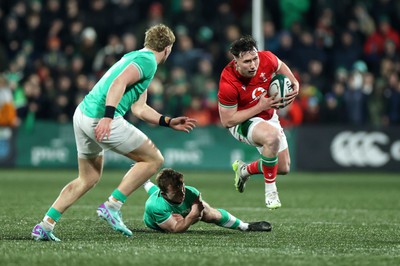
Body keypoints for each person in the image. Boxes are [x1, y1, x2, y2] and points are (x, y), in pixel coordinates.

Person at [31, 24, 197, 241]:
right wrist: (108, 117)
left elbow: (139, 108)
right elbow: (118, 83)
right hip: (101, 117)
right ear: (167, 48)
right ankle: (113, 205)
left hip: (83, 115)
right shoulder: (148, 62)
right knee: (154, 159)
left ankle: (45, 225)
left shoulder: (136, 57)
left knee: (87, 178)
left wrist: (168, 121)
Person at [218, 35, 299, 210]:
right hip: (242, 120)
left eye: (255, 59)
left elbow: (280, 65)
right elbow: (227, 120)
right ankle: (271, 192)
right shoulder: (228, 81)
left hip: (268, 114)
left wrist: (294, 82)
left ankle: (244, 170)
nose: (253, 65)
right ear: (236, 61)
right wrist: (259, 106)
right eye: (247, 61)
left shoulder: (266, 58)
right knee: (272, 137)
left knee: (283, 167)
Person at [143, 168, 272, 233]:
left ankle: (245, 226)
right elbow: (175, 229)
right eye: (176, 192)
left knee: (208, 212)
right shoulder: (154, 205)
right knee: (180, 223)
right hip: (156, 223)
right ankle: (144, 182)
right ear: (164, 193)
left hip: (180, 212)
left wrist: (194, 216)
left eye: (182, 187)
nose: (182, 193)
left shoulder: (190, 191)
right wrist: (191, 216)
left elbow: (199, 214)